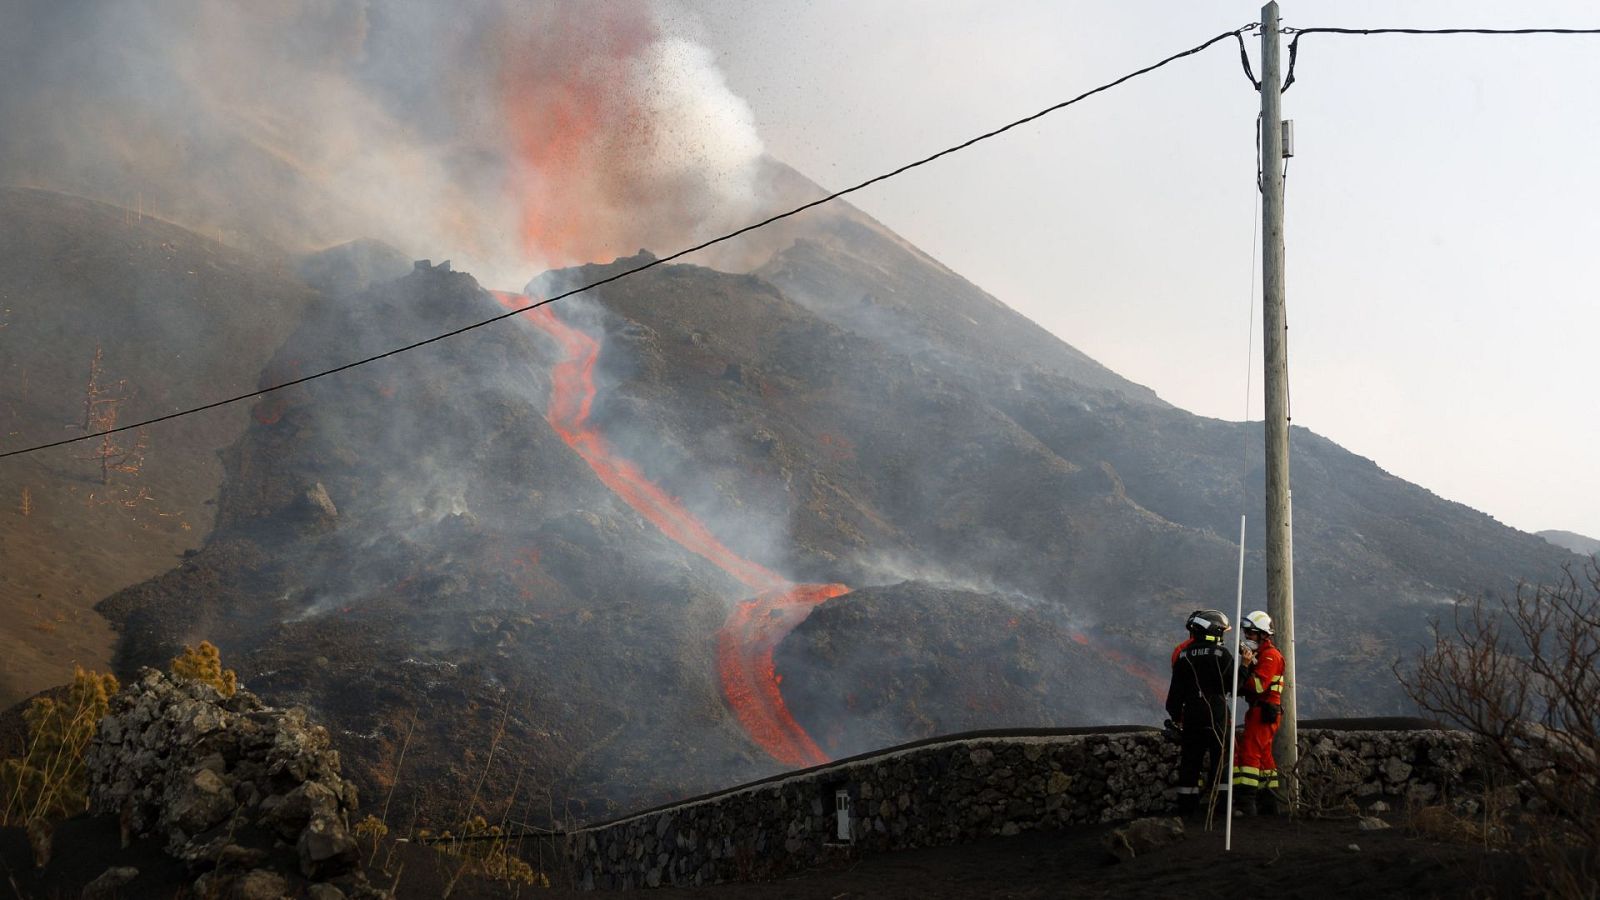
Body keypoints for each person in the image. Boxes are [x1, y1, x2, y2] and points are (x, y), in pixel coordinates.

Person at [1165, 609, 1234, 818]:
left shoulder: (1183, 656)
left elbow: (1173, 698)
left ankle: (1187, 809)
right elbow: (1235, 684)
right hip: (1217, 715)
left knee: (1190, 763)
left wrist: (1177, 718)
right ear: (1215, 632)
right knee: (1220, 761)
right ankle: (1221, 809)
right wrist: (1247, 667)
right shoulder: (1222, 655)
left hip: (1192, 716)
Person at [1233, 609, 1285, 816]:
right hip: (1260, 711)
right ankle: (1269, 802)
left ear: (1263, 635)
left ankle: (1247, 804)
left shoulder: (1271, 656)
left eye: (1251, 633)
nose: (1247, 637)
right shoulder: (1262, 655)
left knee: (1250, 753)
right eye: (1246, 633)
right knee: (1264, 756)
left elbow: (1257, 686)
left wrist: (1245, 667)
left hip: (1263, 711)